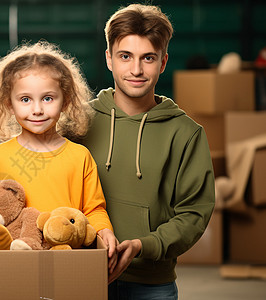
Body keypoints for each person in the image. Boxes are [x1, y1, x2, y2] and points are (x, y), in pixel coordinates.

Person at [80, 4, 215, 299]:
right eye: (125, 56)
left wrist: (144, 245)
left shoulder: (186, 133)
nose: (136, 69)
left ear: (163, 62)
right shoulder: (77, 123)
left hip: (152, 285)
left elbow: (193, 214)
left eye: (148, 58)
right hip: (78, 275)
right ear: (109, 59)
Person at [0, 41, 117, 276]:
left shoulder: (79, 156)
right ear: (8, 104)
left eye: (47, 98)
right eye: (25, 99)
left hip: (67, 266)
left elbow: (94, 208)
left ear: (66, 100)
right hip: (12, 268)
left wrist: (104, 230)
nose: (37, 110)